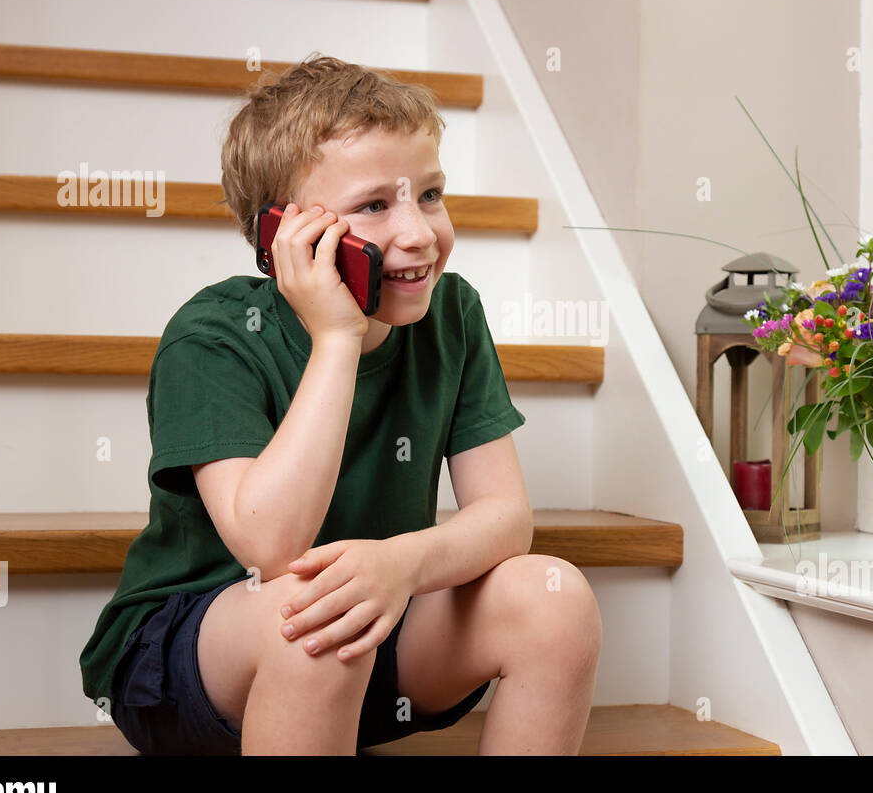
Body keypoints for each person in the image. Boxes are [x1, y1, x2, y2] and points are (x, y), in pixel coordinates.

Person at [79, 55, 602, 755]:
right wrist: (336, 337)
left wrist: (401, 566)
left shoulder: (452, 314)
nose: (418, 232)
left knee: (554, 597)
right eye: (375, 205)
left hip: (370, 625)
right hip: (194, 664)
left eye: (431, 194)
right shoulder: (211, 337)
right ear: (283, 236)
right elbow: (273, 546)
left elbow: (506, 518)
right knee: (313, 615)